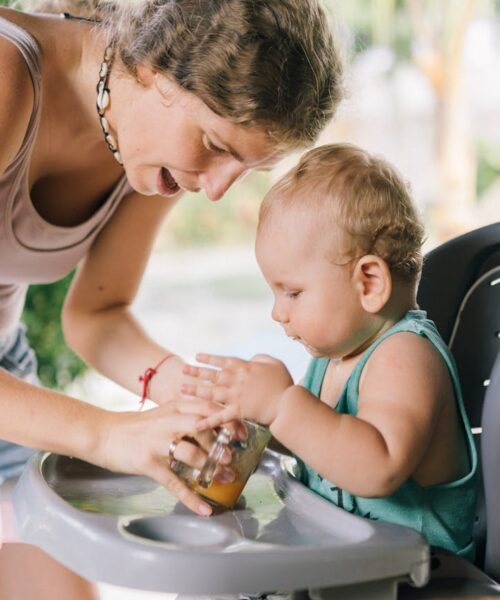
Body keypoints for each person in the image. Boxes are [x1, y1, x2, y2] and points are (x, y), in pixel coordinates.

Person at [0, 0, 344, 596]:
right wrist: (106, 434)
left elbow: (98, 316)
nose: (213, 189)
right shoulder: (7, 75)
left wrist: (195, 398)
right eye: (215, 145)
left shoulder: (149, 141)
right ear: (153, 65)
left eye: (242, 168)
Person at [182, 143, 478, 561]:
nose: (277, 312)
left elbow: (377, 468)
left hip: (422, 580)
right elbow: (321, 446)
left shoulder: (406, 356)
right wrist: (256, 423)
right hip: (342, 563)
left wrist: (283, 406)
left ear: (370, 283)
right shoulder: (333, 357)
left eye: (293, 292)